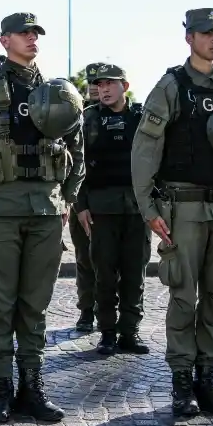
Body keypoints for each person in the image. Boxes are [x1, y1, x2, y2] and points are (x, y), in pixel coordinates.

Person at [131, 8, 213, 417]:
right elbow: (146, 146)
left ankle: (208, 378)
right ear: (189, 37)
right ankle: (182, 382)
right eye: (207, 32)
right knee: (184, 295)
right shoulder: (171, 86)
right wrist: (147, 206)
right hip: (183, 207)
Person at [0, 13, 84, 423]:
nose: (32, 39)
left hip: (46, 210)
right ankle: (0, 390)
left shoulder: (58, 91)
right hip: (1, 209)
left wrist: (66, 198)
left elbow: (78, 150)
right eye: (24, 34)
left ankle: (33, 387)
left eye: (36, 34)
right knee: (0, 302)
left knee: (35, 304)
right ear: (4, 40)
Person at [75, 63, 150, 356]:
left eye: (110, 84)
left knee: (135, 273)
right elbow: (76, 163)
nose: (103, 89)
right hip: (101, 209)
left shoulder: (141, 118)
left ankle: (129, 332)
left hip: (137, 209)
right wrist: (80, 205)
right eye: (100, 84)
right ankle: (106, 332)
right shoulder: (88, 119)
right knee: (103, 274)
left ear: (125, 86)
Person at [70, 79, 99, 332]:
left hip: (112, 202)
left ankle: (112, 315)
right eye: (93, 83)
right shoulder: (76, 119)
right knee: (85, 260)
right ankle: (87, 311)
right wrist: (78, 205)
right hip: (83, 200)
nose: (96, 89)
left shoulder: (130, 116)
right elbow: (73, 164)